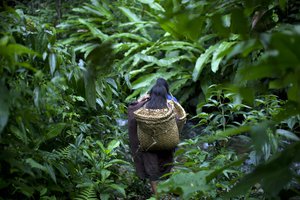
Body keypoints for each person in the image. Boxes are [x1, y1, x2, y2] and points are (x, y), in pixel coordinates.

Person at [127, 80, 177, 196]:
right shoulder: (169, 108)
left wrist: (139, 100)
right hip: (165, 144)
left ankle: (156, 196)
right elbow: (179, 121)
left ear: (151, 94)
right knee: (165, 168)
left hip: (148, 145)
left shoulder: (144, 107)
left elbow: (131, 111)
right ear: (165, 94)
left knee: (152, 172)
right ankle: (167, 194)